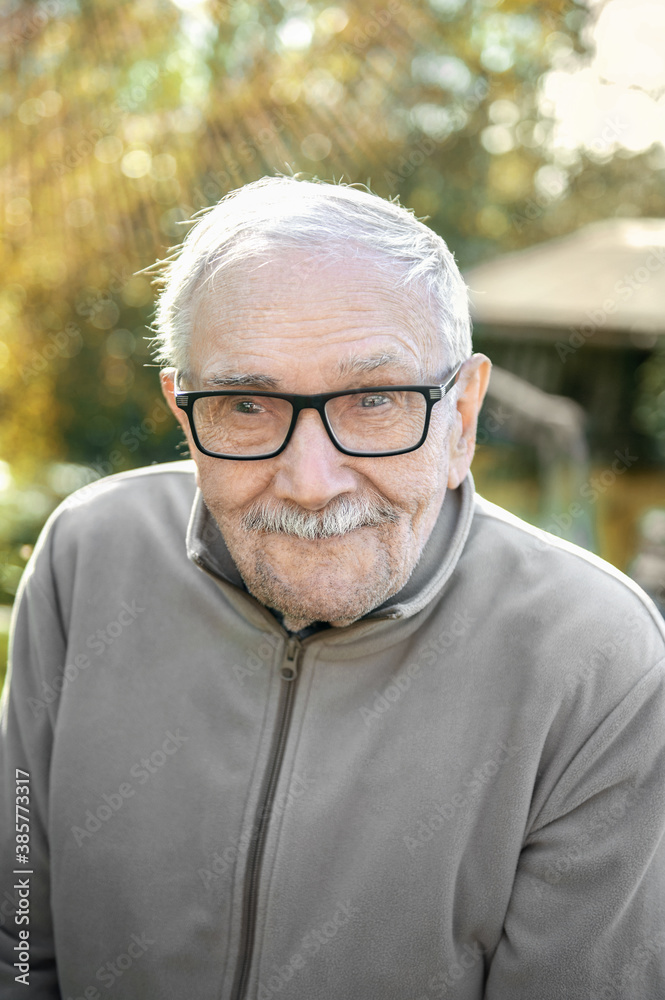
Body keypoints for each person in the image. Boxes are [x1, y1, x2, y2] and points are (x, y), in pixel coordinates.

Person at [1, 176, 664, 1000]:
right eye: (245, 404)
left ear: (460, 418)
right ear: (184, 416)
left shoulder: (597, 655)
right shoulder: (88, 555)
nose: (311, 483)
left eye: (374, 400)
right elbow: (19, 935)